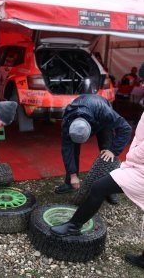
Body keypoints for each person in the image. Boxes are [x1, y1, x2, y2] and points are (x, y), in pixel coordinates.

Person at [51, 112, 144, 270]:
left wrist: (132, 154)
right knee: (100, 187)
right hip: (137, 165)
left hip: (139, 168)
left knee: (99, 187)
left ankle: (73, 226)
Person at [55, 94, 132, 205]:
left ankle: (109, 188)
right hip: (85, 114)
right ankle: (70, 183)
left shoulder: (105, 112)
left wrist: (113, 150)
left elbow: (126, 129)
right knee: (72, 148)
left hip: (100, 116)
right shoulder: (67, 122)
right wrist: (73, 175)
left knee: (107, 150)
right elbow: (68, 150)